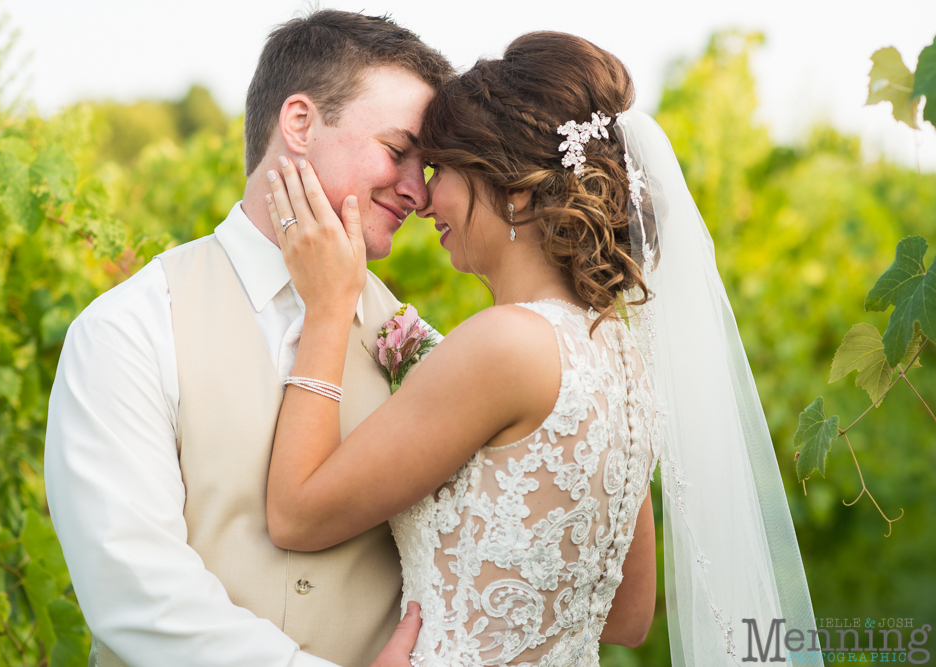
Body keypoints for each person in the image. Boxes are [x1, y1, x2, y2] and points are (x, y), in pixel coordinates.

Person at [262, 31, 823, 667]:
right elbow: (629, 615)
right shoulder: (621, 356)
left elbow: (295, 517)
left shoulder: (506, 345)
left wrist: (330, 308)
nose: (425, 199)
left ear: (517, 189)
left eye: (442, 169)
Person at [44, 10, 452, 667]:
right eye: (399, 152)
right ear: (299, 123)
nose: (417, 192)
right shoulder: (127, 328)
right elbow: (135, 590)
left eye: (427, 168)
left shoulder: (414, 341)